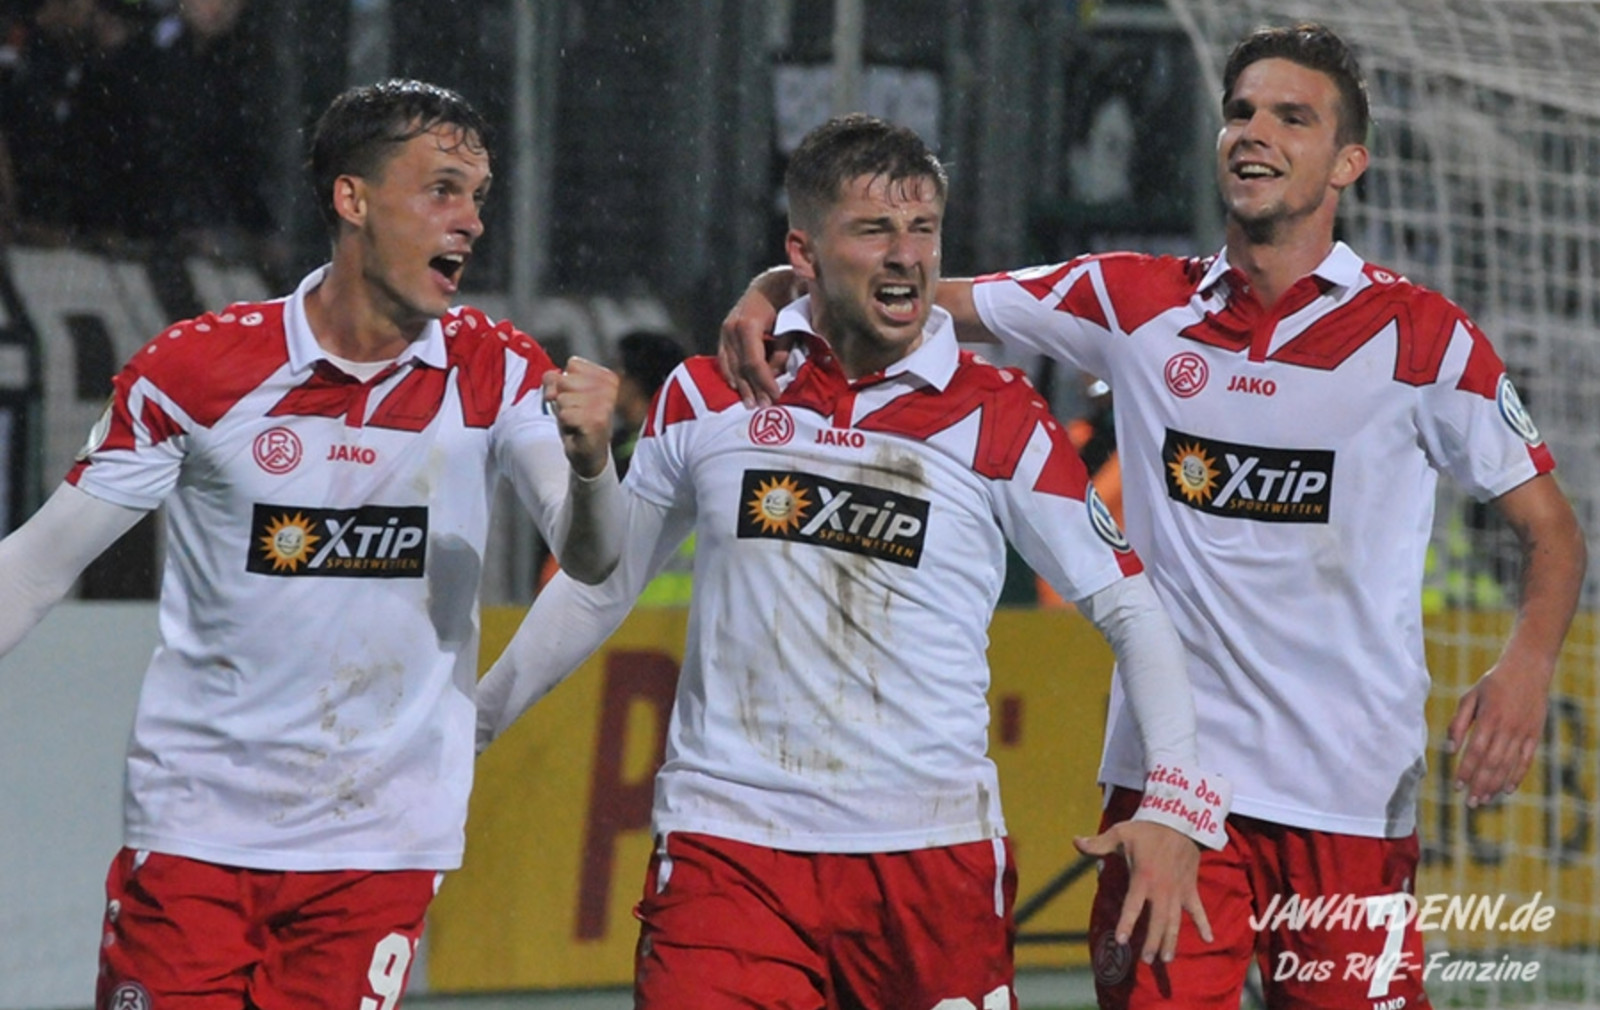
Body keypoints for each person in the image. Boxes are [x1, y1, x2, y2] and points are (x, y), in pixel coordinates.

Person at [720, 24, 1587, 1010]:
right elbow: (904, 295)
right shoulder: (1129, 298)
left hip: (1345, 799)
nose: (1251, 132)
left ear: (1349, 162)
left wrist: (1524, 666)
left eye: (1289, 117)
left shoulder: (1422, 337)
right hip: (1170, 798)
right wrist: (776, 289)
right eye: (1239, 112)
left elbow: (1552, 529)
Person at [478, 113, 1231, 1009]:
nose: (906, 256)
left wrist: (1174, 799)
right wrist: (472, 726)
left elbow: (1131, 610)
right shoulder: (710, 390)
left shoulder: (1000, 415)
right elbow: (600, 586)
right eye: (873, 230)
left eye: (923, 230)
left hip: (931, 859)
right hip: (731, 847)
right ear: (804, 249)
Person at [0, 78, 623, 1008]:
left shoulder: (495, 369)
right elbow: (39, 564)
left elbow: (594, 560)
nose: (470, 223)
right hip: (198, 834)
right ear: (352, 198)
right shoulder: (199, 368)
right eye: (442, 189)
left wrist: (590, 465)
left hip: (379, 845)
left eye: (479, 198)